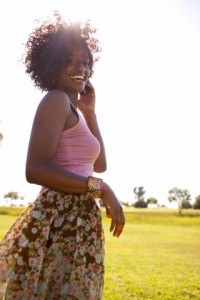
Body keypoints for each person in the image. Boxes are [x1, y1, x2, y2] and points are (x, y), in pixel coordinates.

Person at [0, 12, 125, 300]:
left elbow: (99, 164)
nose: (80, 67)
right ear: (52, 66)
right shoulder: (55, 100)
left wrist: (91, 113)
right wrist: (100, 187)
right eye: (70, 60)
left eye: (84, 61)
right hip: (59, 217)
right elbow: (35, 169)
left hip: (80, 219)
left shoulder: (75, 110)